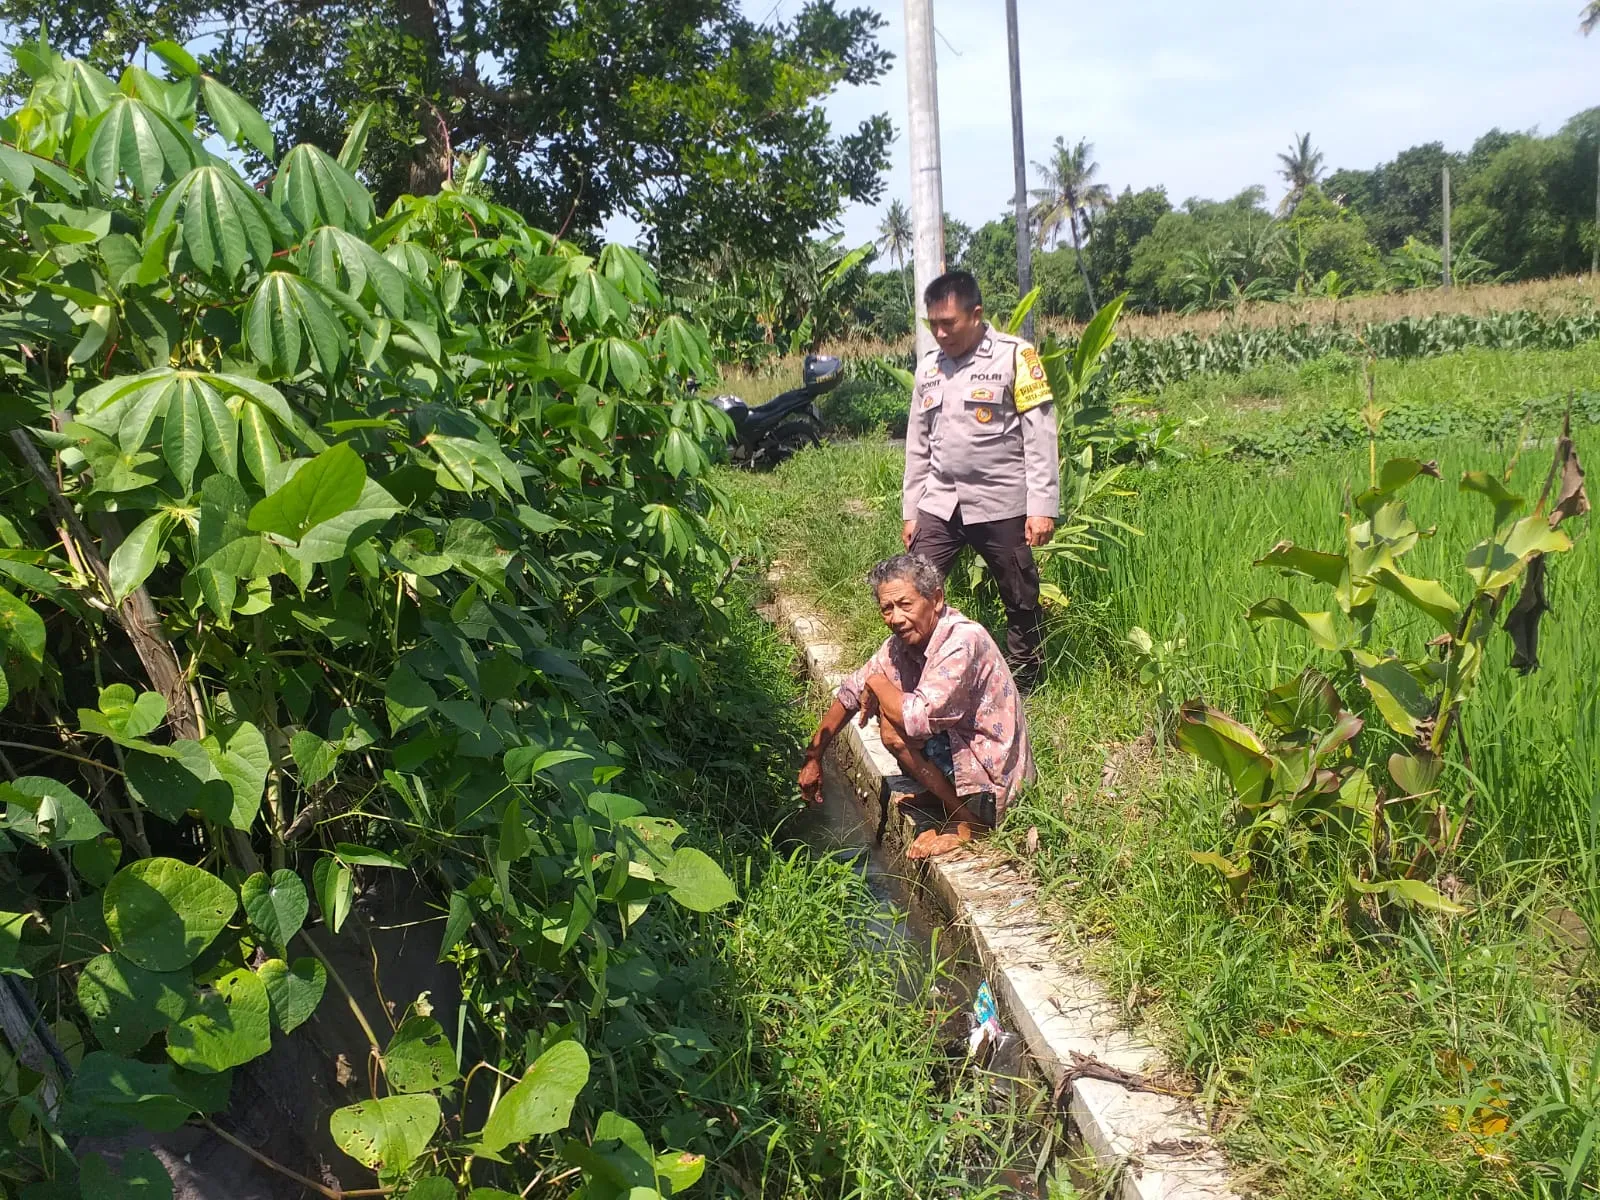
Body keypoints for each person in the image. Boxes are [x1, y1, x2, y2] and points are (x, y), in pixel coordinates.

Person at [797, 554, 1035, 860]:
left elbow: (915, 719)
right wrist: (814, 756)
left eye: (905, 604)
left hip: (994, 782)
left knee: (893, 727)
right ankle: (944, 797)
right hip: (964, 756)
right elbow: (851, 692)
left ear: (936, 599)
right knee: (890, 709)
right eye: (887, 608)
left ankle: (971, 822)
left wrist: (877, 683)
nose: (896, 618)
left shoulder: (962, 640)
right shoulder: (902, 644)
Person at [901, 269, 1059, 689]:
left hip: (1001, 500)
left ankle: (1025, 684)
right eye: (933, 324)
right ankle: (919, 676)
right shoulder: (928, 369)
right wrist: (911, 511)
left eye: (948, 323)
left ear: (976, 314)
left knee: (1020, 595)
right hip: (940, 503)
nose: (940, 333)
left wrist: (1042, 507)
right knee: (914, 590)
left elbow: (1040, 436)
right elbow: (917, 445)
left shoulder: (1015, 357)